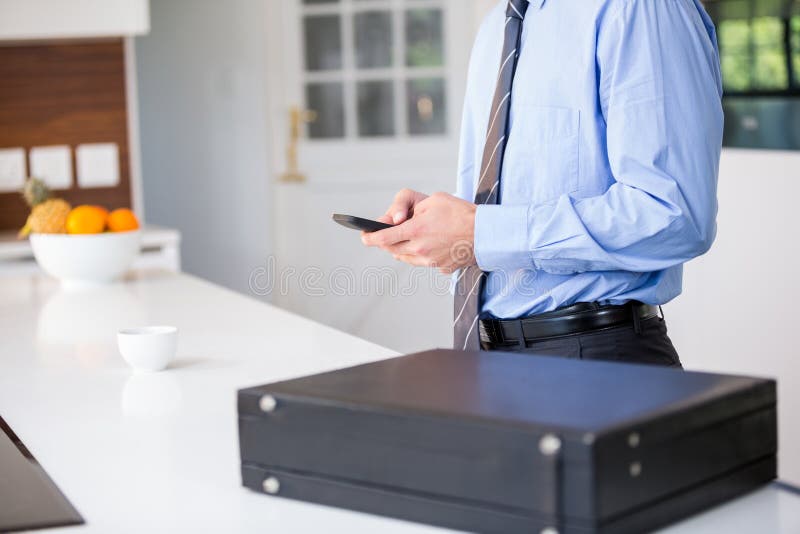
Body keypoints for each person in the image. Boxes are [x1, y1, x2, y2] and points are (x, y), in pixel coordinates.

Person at [362, 0, 723, 367]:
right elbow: (514, 204)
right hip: (487, 357)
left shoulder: (639, 8)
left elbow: (676, 215)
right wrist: (443, 226)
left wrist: (479, 232)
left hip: (595, 361)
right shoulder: (494, 28)